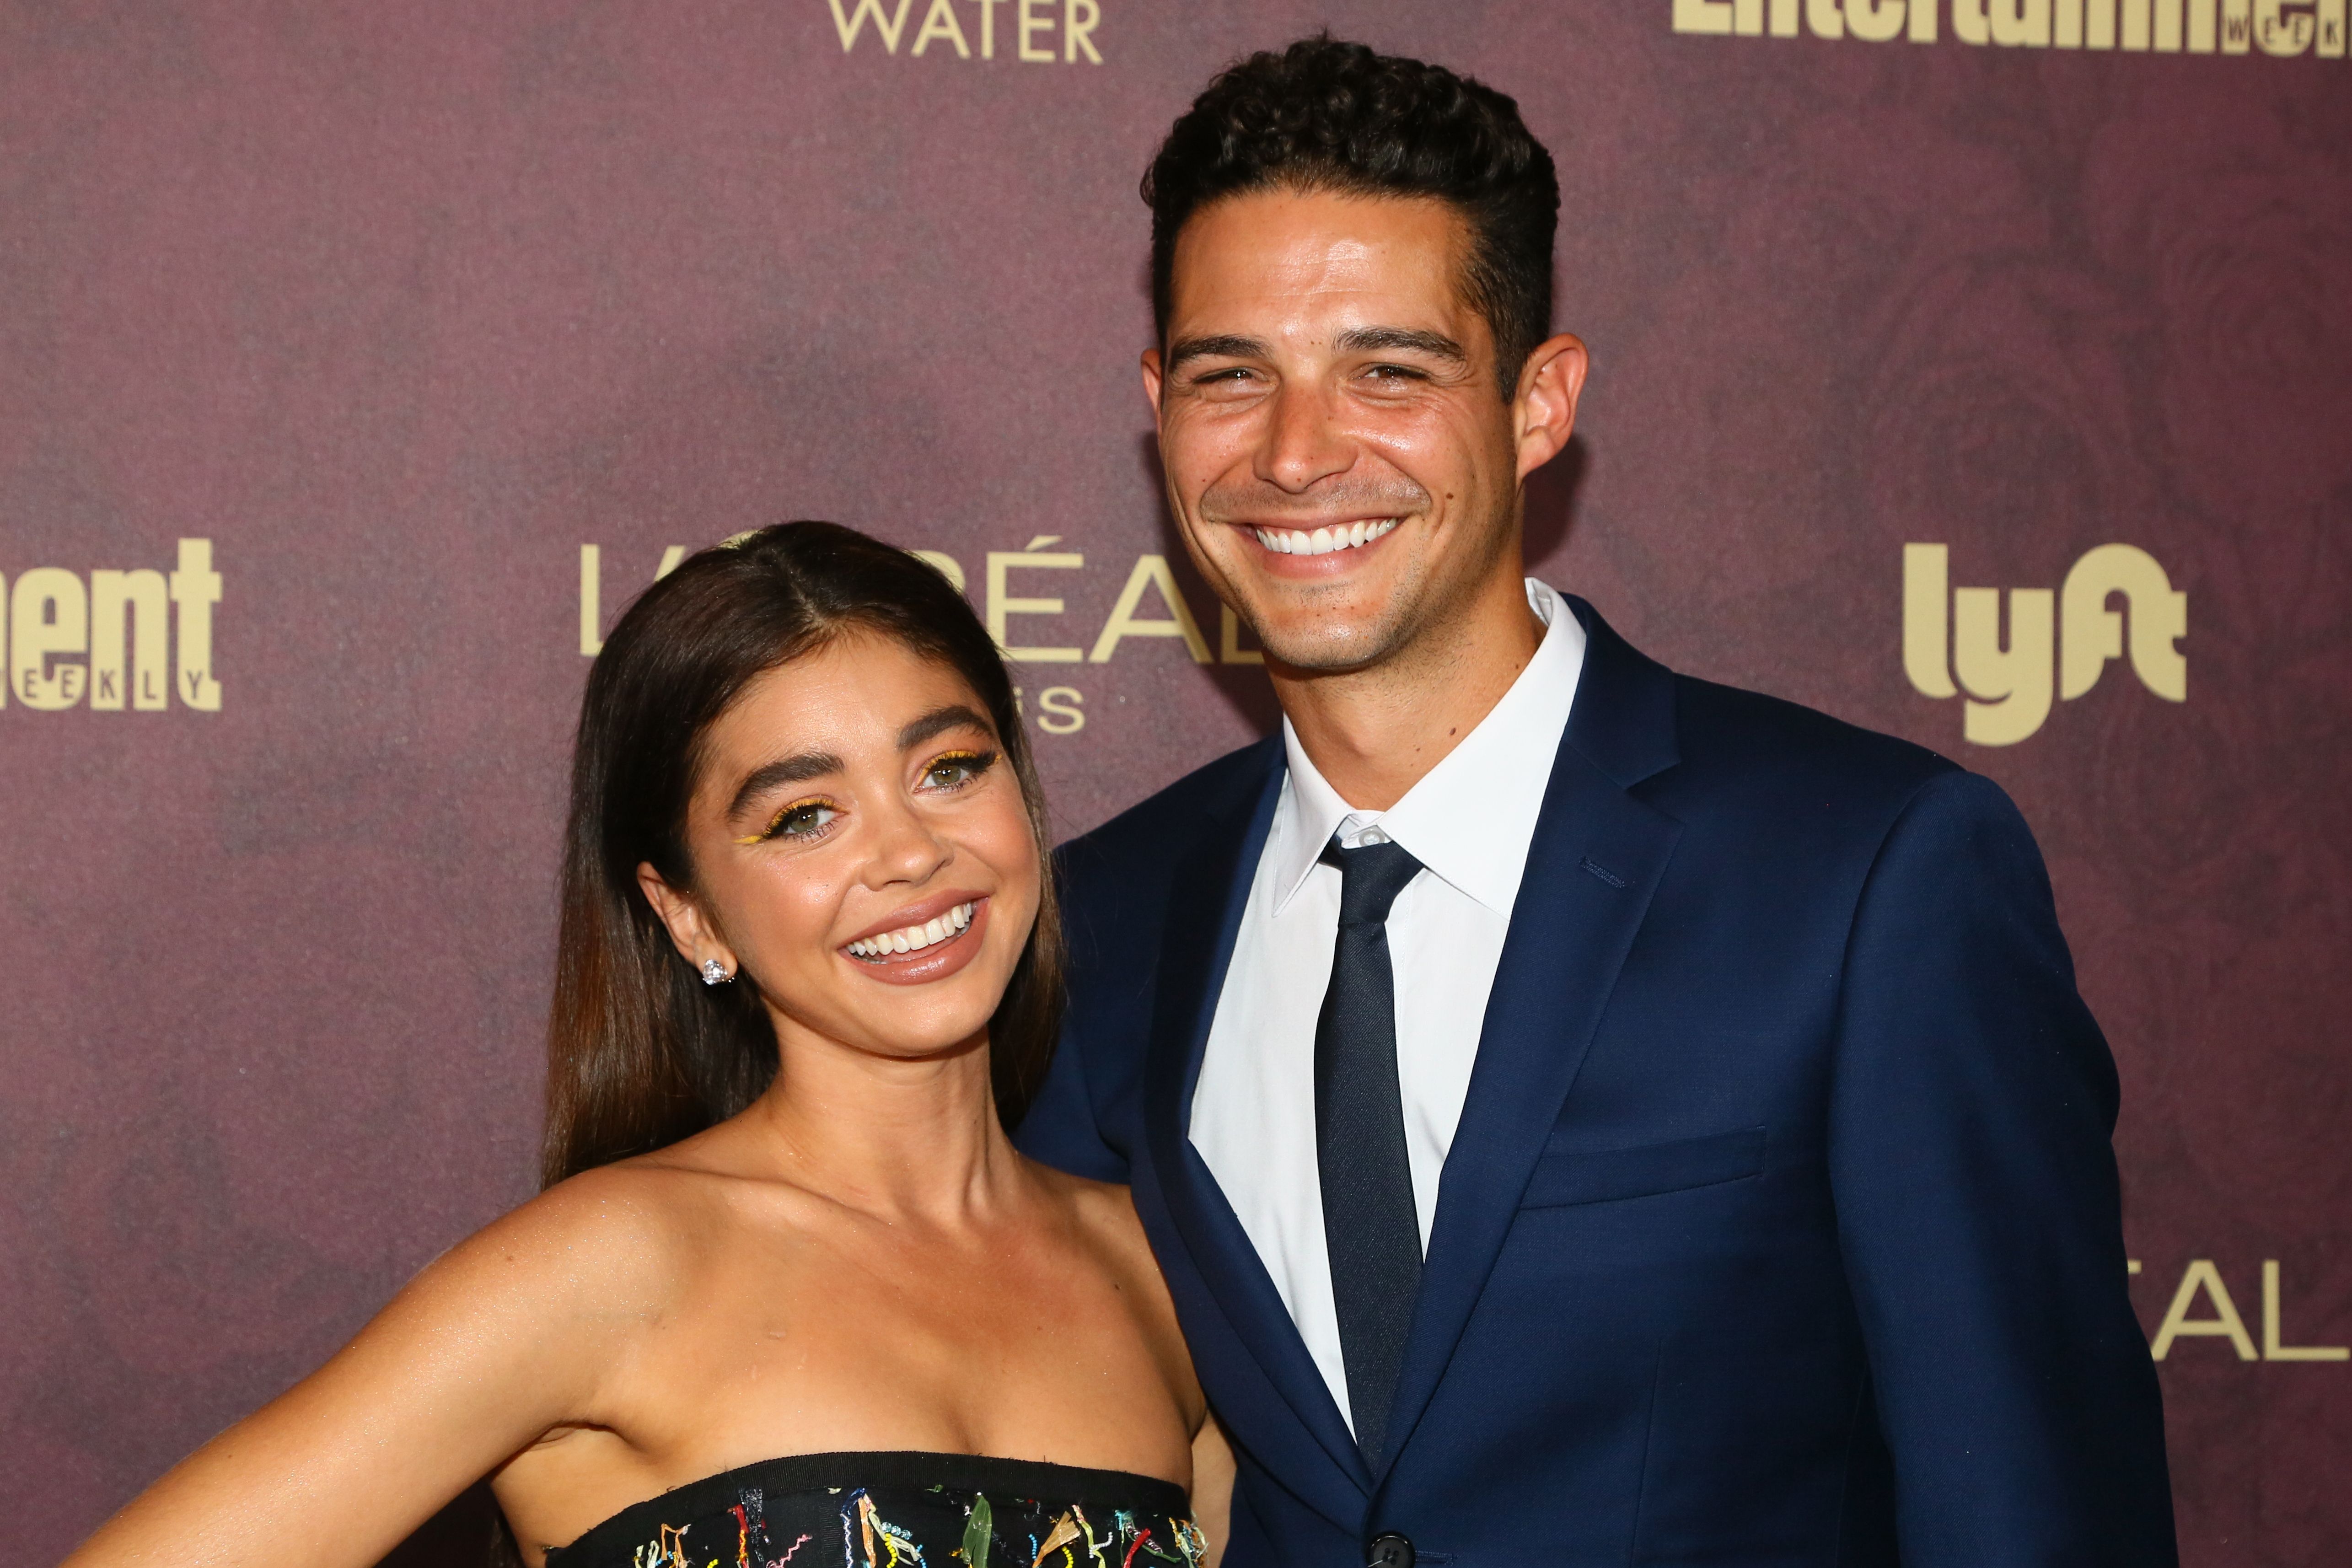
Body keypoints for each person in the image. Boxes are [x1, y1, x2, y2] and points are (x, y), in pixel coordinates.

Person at [1015, 37, 2176, 1568]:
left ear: (1538, 403)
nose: (1297, 453)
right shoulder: (1104, 919)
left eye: (1388, 370)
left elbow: (2025, 1509)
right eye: (1233, 374)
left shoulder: (1865, 878)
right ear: (1159, 404)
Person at [63, 523, 1228, 1568]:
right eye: (803, 816)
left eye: (949, 769)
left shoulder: (1157, 1264)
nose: (911, 852)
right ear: (690, 912)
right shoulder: (605, 1270)